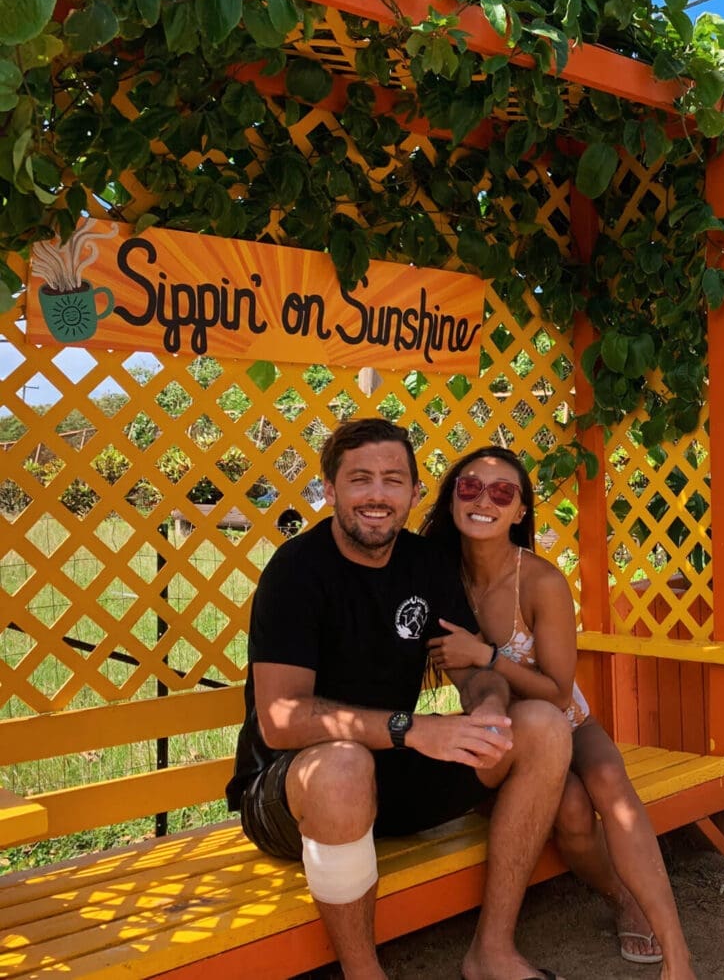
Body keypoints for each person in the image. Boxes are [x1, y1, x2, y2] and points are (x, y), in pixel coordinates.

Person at [226, 419, 572, 980]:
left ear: (413, 493)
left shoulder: (425, 563)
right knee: (343, 766)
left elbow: (473, 667)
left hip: (393, 775)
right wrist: (412, 729)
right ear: (331, 488)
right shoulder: (296, 572)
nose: (376, 496)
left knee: (538, 726)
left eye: (392, 480)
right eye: (360, 479)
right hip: (291, 792)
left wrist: (487, 706)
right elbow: (280, 723)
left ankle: (492, 952)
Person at [421, 446, 698, 980]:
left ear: (521, 511)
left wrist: (487, 655)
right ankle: (622, 900)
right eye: (470, 487)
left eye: (503, 492)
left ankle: (678, 957)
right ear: (452, 496)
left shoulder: (543, 581)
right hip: (508, 741)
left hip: (565, 716)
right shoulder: (437, 579)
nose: (485, 500)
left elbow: (557, 691)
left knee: (609, 783)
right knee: (571, 812)